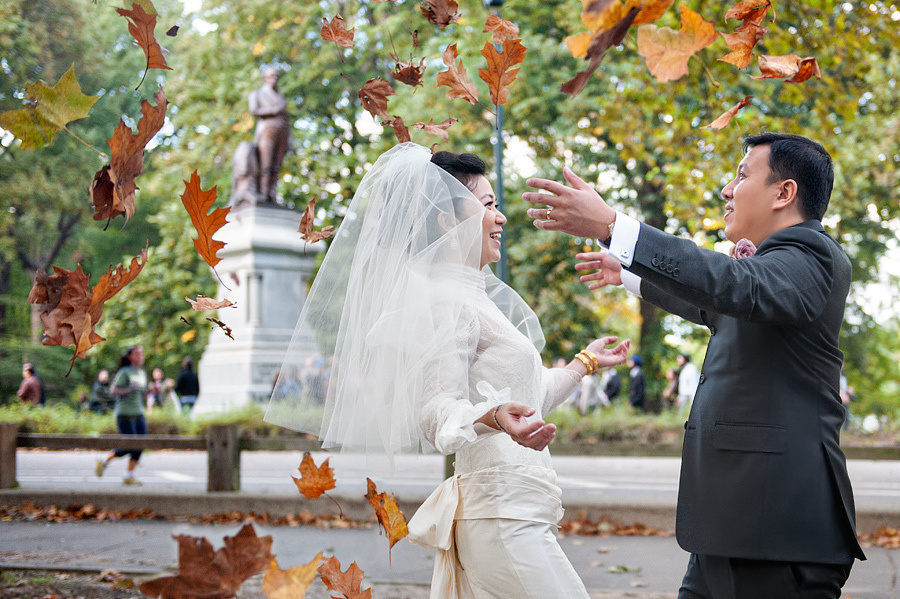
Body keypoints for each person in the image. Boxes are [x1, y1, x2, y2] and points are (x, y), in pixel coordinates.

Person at [266, 144, 630, 599]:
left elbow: (528, 398)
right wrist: (493, 417)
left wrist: (585, 363)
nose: (500, 217)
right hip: (499, 516)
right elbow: (436, 411)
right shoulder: (443, 302)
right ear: (445, 219)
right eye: (488, 205)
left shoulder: (475, 298)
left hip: (518, 511)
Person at [523, 132, 865, 598]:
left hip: (776, 534)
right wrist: (628, 273)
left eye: (741, 176)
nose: (727, 189)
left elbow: (732, 285)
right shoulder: (770, 274)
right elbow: (717, 303)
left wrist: (614, 225)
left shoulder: (813, 256)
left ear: (784, 193)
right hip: (733, 528)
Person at [96, 345, 149, 485]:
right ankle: (105, 460)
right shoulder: (124, 372)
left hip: (139, 413)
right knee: (129, 445)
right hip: (125, 413)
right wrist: (130, 388)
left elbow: (141, 393)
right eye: (137, 354)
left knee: (141, 444)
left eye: (141, 353)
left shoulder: (142, 373)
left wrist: (150, 391)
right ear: (130, 356)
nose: (140, 356)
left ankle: (128, 475)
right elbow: (113, 391)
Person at [249, 66, 290, 203]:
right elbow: (254, 110)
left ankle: (272, 195)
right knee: (265, 163)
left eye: (277, 76)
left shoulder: (280, 96)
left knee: (276, 165)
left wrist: (289, 138)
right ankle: (263, 193)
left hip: (282, 131)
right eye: (272, 76)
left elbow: (286, 118)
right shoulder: (258, 94)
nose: (275, 79)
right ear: (265, 78)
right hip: (267, 130)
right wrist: (274, 110)